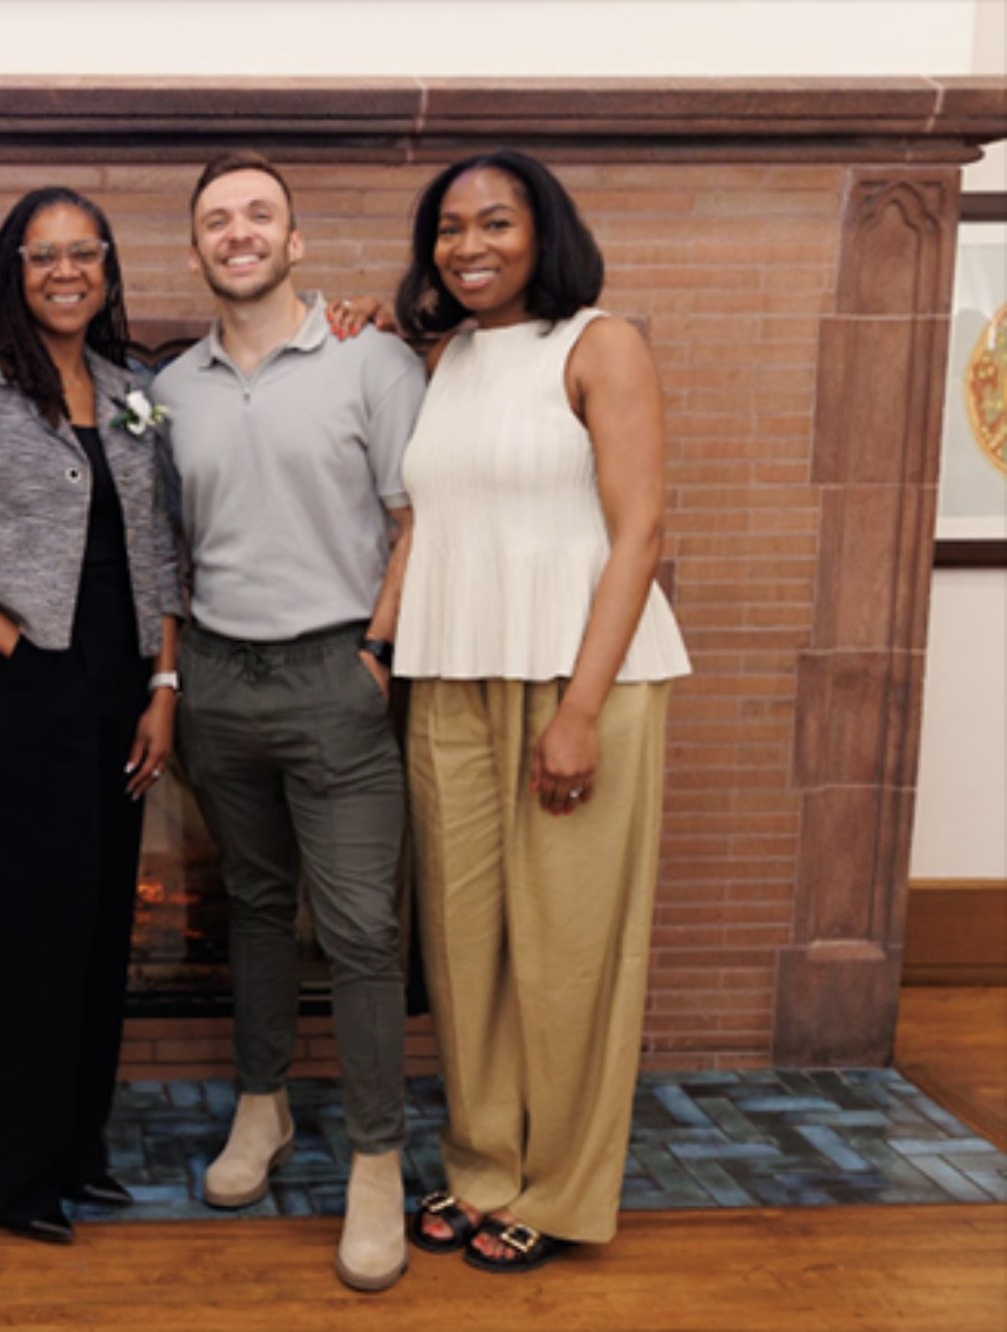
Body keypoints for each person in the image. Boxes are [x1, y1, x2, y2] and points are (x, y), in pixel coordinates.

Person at [391, 148, 690, 1274]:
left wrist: (578, 709)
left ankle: (559, 1188)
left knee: (567, 952)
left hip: (580, 680)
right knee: (464, 948)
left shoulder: (601, 345)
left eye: (495, 223)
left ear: (542, 231)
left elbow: (639, 532)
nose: (468, 245)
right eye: (449, 227)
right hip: (450, 673)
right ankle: (481, 1166)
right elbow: (431, 514)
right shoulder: (448, 356)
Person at [0, 187, 183, 1245]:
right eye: (42, 253)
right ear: (12, 268)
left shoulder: (130, 386)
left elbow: (161, 554)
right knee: (34, 934)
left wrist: (162, 687)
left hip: (123, 686)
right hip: (22, 689)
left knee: (102, 927)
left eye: (82, 253)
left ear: (106, 267)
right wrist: (19, 651)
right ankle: (13, 1176)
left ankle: (77, 1150)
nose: (65, 271)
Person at [151, 151, 424, 1293]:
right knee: (255, 912)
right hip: (219, 682)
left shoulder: (371, 359)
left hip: (335, 676)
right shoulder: (170, 388)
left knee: (360, 930)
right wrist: (174, 682)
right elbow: (165, 551)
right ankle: (260, 1108)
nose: (239, 232)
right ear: (197, 250)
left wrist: (375, 654)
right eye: (218, 219)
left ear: (294, 240)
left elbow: (416, 519)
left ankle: (376, 1161)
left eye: (259, 214)